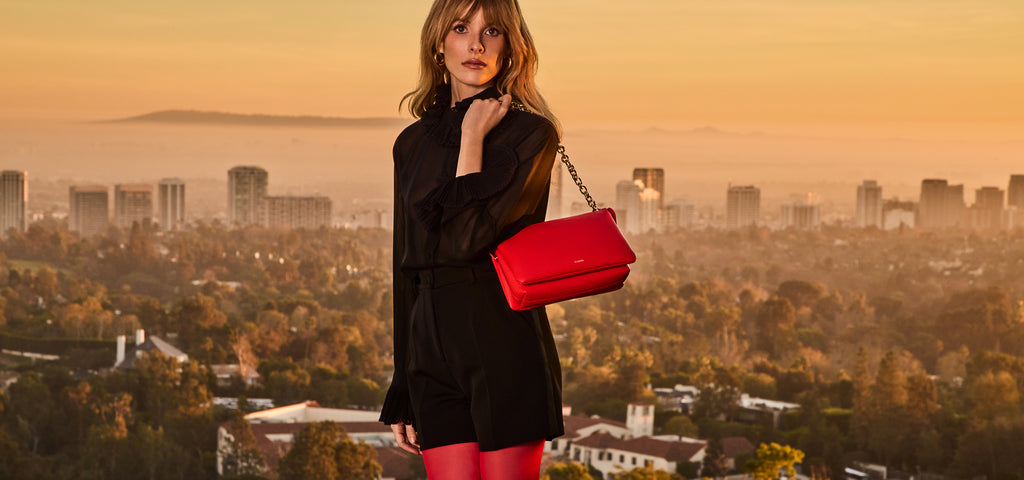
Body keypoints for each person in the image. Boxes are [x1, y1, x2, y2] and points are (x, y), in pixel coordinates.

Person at [378, 0, 564, 478]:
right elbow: (407, 267)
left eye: (493, 31)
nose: (476, 44)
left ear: (512, 48)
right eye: (461, 28)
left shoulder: (532, 135)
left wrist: (472, 139)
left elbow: (466, 241)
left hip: (503, 339)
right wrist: (403, 380)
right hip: (430, 350)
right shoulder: (411, 144)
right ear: (439, 44)